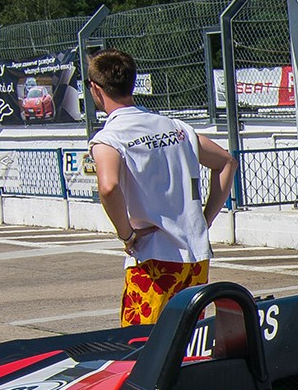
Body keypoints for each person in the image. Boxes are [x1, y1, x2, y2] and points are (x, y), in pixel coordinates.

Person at [87, 48, 236, 327]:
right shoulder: (177, 128)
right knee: (185, 339)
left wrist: (127, 235)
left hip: (153, 260)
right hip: (194, 258)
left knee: (142, 344)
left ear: (96, 89)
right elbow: (226, 162)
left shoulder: (110, 138)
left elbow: (108, 187)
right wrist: (204, 220)